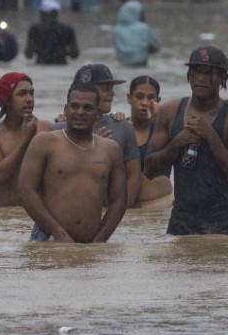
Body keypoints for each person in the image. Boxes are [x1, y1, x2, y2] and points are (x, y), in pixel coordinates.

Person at [144, 46, 228, 236]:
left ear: (223, 78)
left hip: (225, 221)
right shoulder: (170, 111)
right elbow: (149, 169)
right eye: (196, 72)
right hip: (182, 220)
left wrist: (212, 138)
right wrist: (177, 143)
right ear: (189, 76)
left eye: (210, 73)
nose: (202, 78)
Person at [18, 82, 127, 243]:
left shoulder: (111, 149)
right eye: (74, 106)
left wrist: (99, 241)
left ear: (98, 114)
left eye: (87, 108)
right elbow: (25, 191)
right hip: (48, 239)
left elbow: (119, 201)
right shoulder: (45, 142)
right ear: (65, 109)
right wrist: (58, 233)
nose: (80, 112)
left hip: (91, 241)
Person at [54, 63, 142, 207]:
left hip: (110, 212)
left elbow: (133, 177)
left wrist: (123, 211)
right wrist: (91, 145)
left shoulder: (123, 128)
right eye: (106, 89)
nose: (112, 93)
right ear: (86, 91)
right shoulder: (57, 130)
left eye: (112, 89)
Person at [0, 72, 52, 207]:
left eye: (31, 93)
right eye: (22, 94)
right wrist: (26, 140)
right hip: (4, 214)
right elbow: (0, 176)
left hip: (37, 215)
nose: (29, 99)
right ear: (7, 100)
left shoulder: (47, 128)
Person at [126, 75, 172, 208]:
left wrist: (160, 118)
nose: (145, 103)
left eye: (151, 98)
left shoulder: (167, 130)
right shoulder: (120, 128)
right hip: (128, 202)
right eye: (139, 97)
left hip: (160, 200)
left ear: (158, 101)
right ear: (129, 98)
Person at [23, 0, 79, 65]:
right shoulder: (68, 29)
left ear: (43, 13)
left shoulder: (35, 29)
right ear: (56, 14)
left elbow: (29, 55)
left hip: (41, 65)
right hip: (62, 65)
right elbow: (75, 54)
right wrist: (63, 52)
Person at [112, 0, 161, 69]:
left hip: (123, 64)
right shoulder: (144, 27)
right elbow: (156, 47)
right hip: (141, 64)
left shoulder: (116, 30)